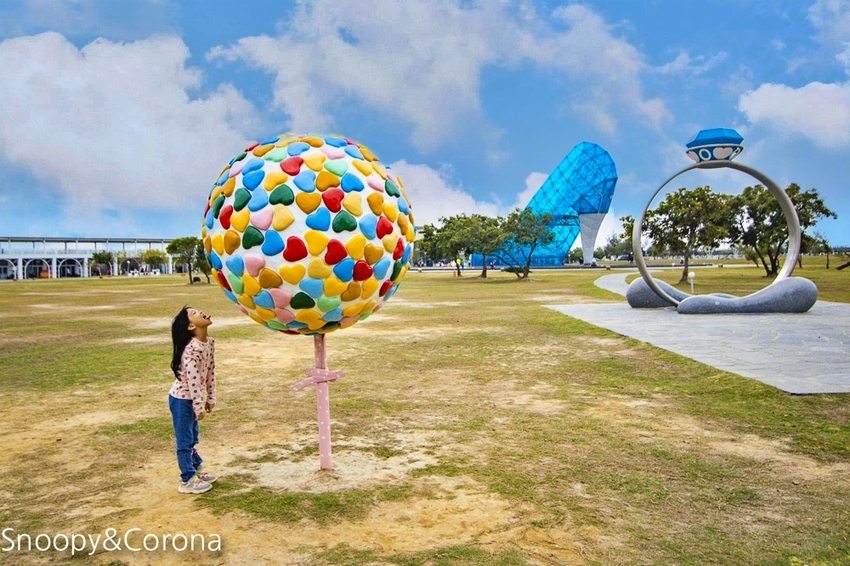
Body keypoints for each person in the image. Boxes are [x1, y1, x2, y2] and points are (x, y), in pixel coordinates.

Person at [169, 306, 218, 494]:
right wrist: (198, 406)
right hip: (182, 400)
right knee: (185, 440)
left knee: (193, 436)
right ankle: (187, 479)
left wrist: (211, 396)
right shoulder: (191, 350)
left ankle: (196, 467)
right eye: (194, 313)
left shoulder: (209, 343)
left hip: (192, 399)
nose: (201, 312)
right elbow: (193, 381)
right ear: (190, 326)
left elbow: (210, 371)